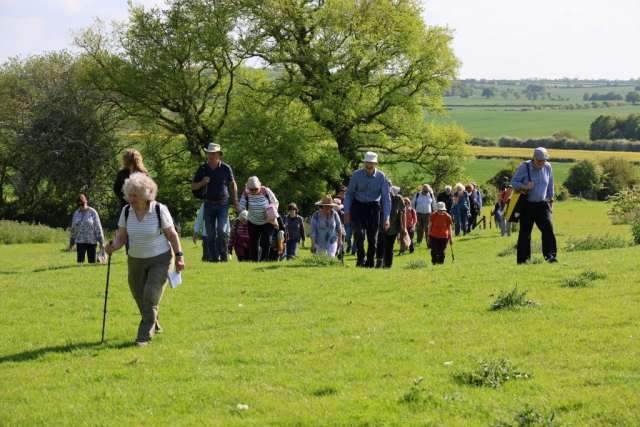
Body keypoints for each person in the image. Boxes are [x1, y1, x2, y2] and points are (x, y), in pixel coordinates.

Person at [106, 173, 185, 347]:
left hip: (161, 259)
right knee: (140, 297)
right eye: (129, 195)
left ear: (145, 195)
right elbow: (121, 237)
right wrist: (113, 247)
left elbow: (172, 234)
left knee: (150, 296)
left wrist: (179, 256)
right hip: (136, 260)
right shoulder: (126, 212)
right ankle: (154, 324)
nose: (130, 199)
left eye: (135, 195)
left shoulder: (158, 210)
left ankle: (143, 338)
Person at [190, 143, 239, 262]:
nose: (210, 155)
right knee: (210, 235)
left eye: (213, 153)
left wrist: (235, 199)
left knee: (222, 231)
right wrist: (202, 182)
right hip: (208, 204)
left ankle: (223, 254)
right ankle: (213, 258)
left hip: (223, 204)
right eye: (209, 153)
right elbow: (193, 186)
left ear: (218, 154)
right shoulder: (202, 169)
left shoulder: (226, 168)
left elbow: (233, 183)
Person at [343, 151, 391, 268]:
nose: (369, 165)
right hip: (359, 206)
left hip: (374, 207)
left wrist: (386, 218)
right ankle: (360, 258)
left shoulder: (381, 176)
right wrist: (347, 212)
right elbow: (349, 193)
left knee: (372, 239)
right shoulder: (356, 174)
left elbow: (386, 198)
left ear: (375, 164)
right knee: (358, 233)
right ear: (364, 163)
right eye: (367, 163)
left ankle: (370, 262)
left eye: (371, 163)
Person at [511, 147, 557, 264]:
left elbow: (550, 184)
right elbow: (514, 182)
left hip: (543, 204)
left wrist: (551, 200)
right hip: (527, 205)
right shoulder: (525, 167)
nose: (541, 164)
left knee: (548, 228)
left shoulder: (548, 167)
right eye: (539, 161)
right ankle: (523, 260)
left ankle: (550, 256)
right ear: (533, 158)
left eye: (543, 161)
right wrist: (525, 186)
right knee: (525, 233)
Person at [238, 176, 279, 262]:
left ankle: (264, 260)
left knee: (266, 242)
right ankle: (254, 261)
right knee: (253, 243)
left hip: (267, 222)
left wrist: (270, 209)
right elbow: (241, 205)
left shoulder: (266, 191)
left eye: (255, 189)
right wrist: (241, 212)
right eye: (251, 189)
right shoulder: (246, 193)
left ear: (259, 186)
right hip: (253, 222)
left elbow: (275, 202)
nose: (253, 191)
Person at [375, 182, 406, 268]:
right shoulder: (380, 198)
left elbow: (403, 213)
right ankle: (379, 261)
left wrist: (404, 228)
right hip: (381, 226)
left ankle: (388, 264)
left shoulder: (398, 199)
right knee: (381, 242)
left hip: (393, 227)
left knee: (389, 246)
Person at [69, 194, 105, 263]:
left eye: (82, 204)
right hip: (80, 241)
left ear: (86, 202)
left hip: (91, 241)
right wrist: (71, 243)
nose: (80, 206)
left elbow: (98, 227)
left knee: (92, 262)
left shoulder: (93, 212)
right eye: (78, 205)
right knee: (80, 262)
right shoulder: (76, 214)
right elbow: (73, 229)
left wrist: (101, 241)